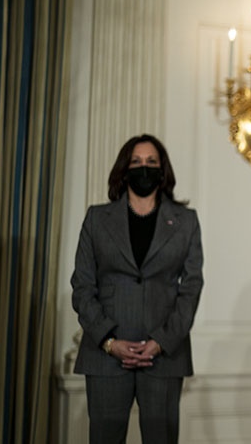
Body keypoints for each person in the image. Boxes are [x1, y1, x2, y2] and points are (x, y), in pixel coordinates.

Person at [71, 134, 205, 443]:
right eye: (136, 162)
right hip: (105, 355)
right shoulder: (96, 219)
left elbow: (191, 288)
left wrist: (161, 341)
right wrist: (108, 341)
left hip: (164, 356)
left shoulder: (186, 222)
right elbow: (82, 286)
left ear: (163, 170)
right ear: (124, 169)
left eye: (151, 162)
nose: (143, 168)